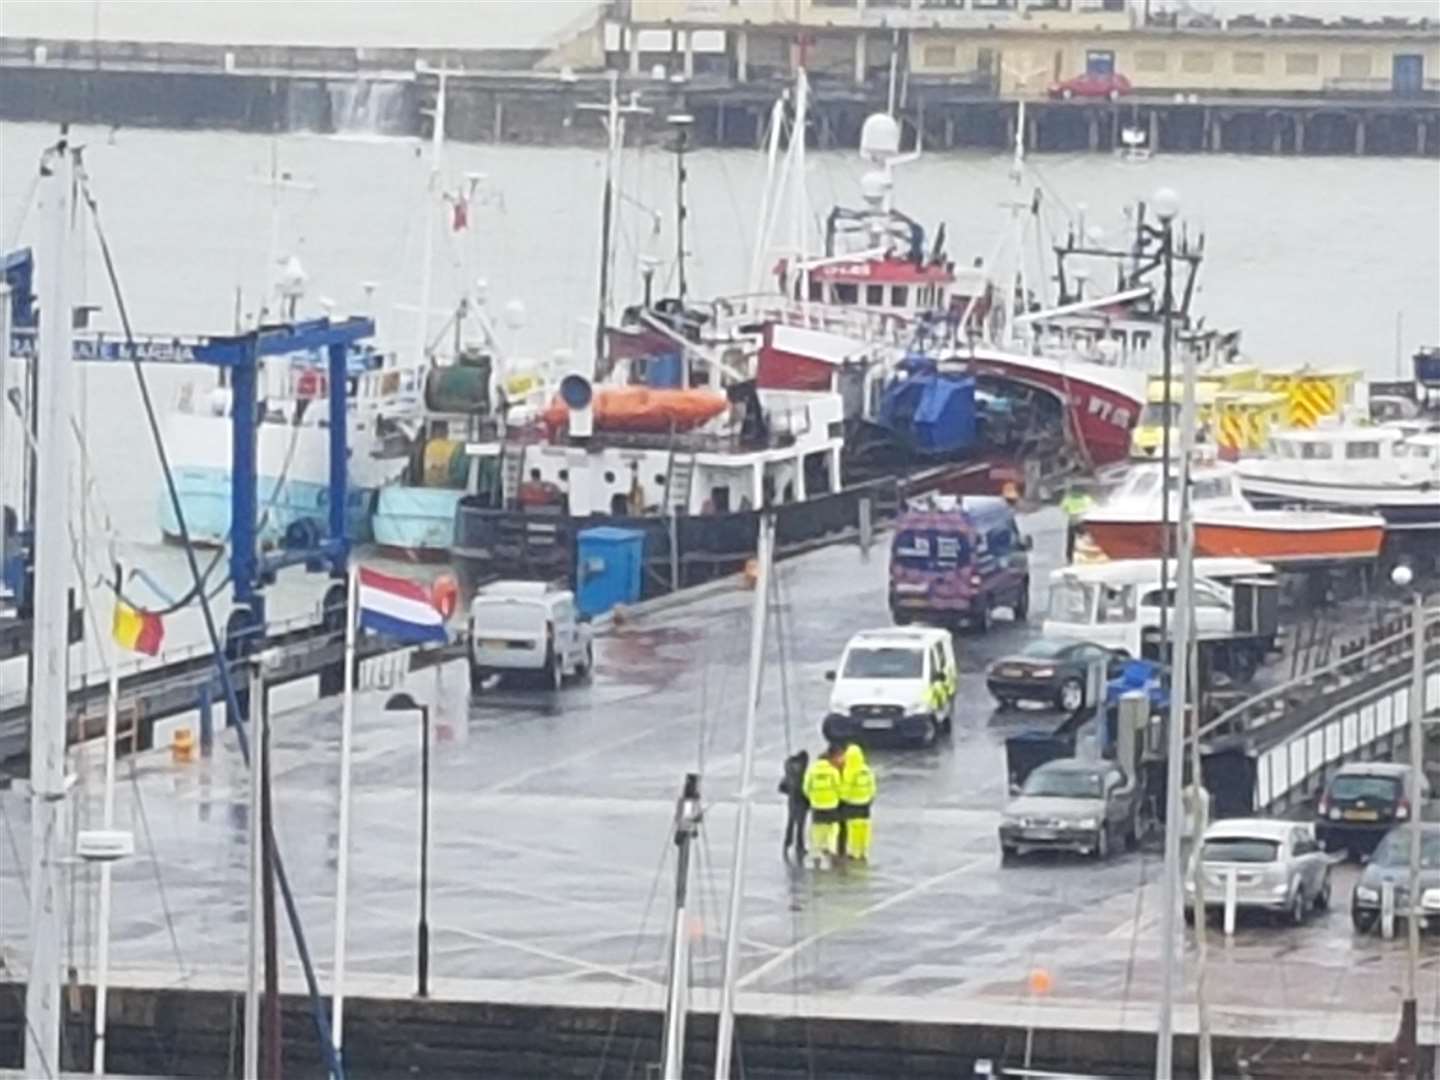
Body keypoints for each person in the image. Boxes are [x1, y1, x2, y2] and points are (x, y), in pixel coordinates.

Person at [801, 745, 842, 868]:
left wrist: (813, 798)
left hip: (817, 804)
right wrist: (836, 798)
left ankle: (816, 852)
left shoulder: (812, 770)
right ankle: (831, 847)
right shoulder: (833, 771)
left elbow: (806, 787)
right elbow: (838, 787)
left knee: (817, 829)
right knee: (833, 827)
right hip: (831, 804)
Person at [839, 743, 877, 862]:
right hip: (865, 803)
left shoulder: (850, 771)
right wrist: (870, 798)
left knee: (853, 829)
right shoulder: (866, 770)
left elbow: (846, 788)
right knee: (864, 829)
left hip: (852, 804)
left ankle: (854, 852)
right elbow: (872, 786)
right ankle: (863, 851)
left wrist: (842, 798)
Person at [778, 750, 810, 861]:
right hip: (800, 801)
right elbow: (803, 787)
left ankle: (787, 843)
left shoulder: (789, 767)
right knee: (800, 825)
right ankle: (799, 847)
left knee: (791, 822)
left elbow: (784, 786)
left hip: (792, 800)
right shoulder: (801, 773)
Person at [1060, 483, 1095, 562]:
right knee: (1086, 537)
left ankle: (1069, 558)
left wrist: (1070, 512)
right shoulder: (1085, 498)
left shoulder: (1068, 498)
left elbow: (1063, 508)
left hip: (1072, 520)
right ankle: (1090, 554)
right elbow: (1092, 507)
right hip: (1082, 520)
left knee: (1070, 541)